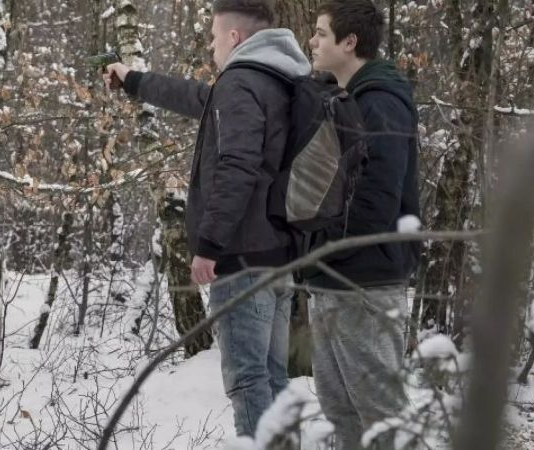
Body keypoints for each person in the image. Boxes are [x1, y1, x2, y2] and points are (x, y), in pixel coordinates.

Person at [104, 0, 311, 436]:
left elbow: (237, 165)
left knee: (248, 380)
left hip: (242, 257)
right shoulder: (283, 80)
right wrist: (134, 80)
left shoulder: (240, 84)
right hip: (279, 254)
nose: (212, 48)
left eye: (214, 38)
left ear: (234, 37)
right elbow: (199, 97)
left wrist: (210, 245)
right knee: (272, 377)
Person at [304, 0, 421, 448]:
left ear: (349, 42)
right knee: (343, 413)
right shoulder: (345, 98)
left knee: (381, 418)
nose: (312, 41)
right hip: (335, 280)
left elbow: (375, 201)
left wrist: (324, 246)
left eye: (320, 33)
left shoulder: (381, 103)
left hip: (365, 284)